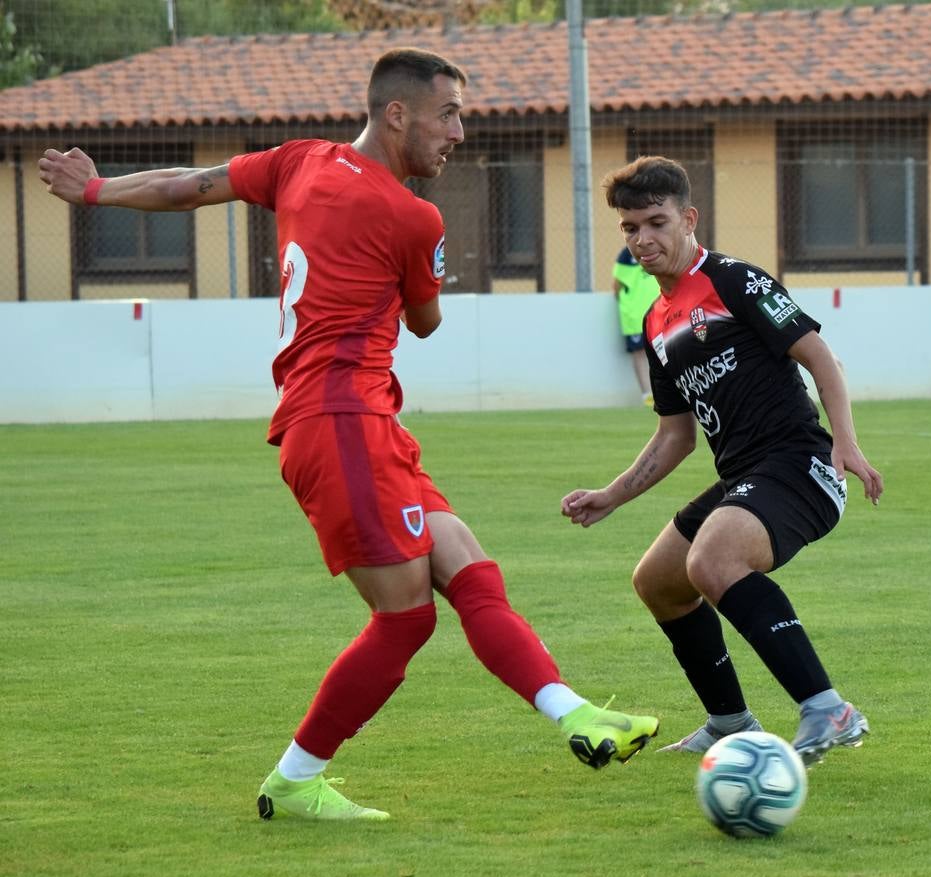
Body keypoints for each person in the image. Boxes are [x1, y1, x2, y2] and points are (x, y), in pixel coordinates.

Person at [39, 48, 658, 823]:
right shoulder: (413, 215)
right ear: (396, 114)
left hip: (354, 421)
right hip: (342, 423)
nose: (459, 133)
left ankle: (576, 716)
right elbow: (426, 323)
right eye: (449, 115)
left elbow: (189, 187)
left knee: (464, 560)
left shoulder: (299, 162)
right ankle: (296, 780)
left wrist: (94, 188)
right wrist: (422, 272)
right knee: (406, 618)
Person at [561, 156, 883, 767]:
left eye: (655, 222)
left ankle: (828, 709)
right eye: (630, 228)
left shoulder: (734, 279)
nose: (642, 239)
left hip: (800, 466)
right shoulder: (657, 321)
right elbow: (675, 436)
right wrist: (612, 494)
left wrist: (845, 442)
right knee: (658, 581)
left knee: (714, 558)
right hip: (745, 478)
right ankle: (731, 722)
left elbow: (821, 359)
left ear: (688, 218)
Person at [611, 246, 660, 405]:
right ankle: (648, 395)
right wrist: (628, 305)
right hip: (635, 314)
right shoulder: (627, 254)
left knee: (665, 350)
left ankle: (666, 393)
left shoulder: (662, 248)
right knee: (639, 353)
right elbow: (617, 285)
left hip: (659, 310)